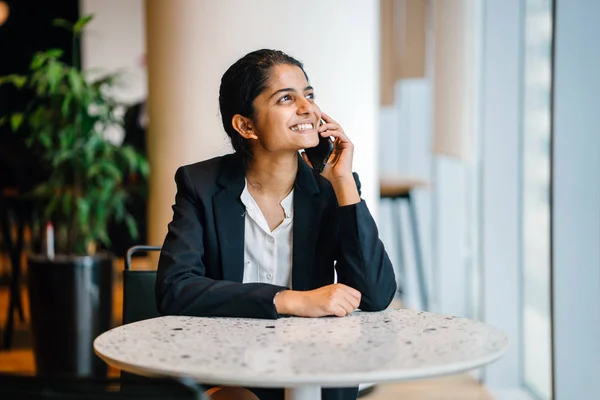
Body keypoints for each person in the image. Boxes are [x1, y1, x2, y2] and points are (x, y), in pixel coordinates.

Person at [155, 49, 397, 400]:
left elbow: (376, 296)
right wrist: (289, 300)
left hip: (309, 366)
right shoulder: (201, 184)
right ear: (246, 125)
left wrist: (343, 183)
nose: (308, 108)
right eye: (286, 98)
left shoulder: (332, 187)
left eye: (309, 95)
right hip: (226, 364)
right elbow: (175, 289)